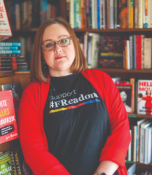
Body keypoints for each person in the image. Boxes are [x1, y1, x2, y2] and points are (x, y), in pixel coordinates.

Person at [18, 17, 131, 175]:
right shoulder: (32, 94)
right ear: (41, 52)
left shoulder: (101, 80)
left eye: (63, 41)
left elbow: (121, 129)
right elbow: (34, 151)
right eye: (49, 44)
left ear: (74, 43)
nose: (57, 49)